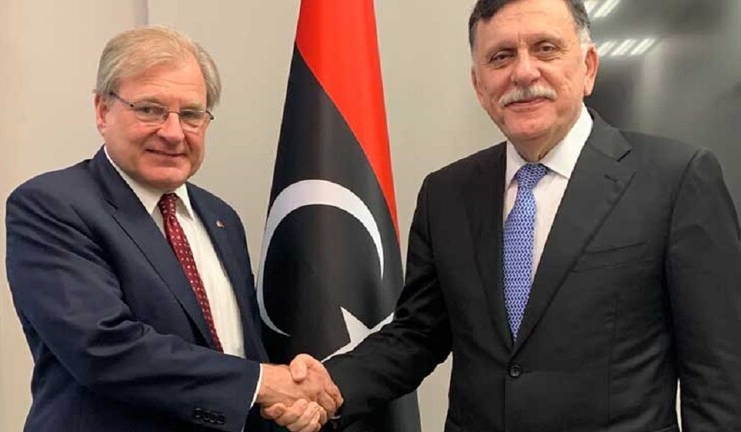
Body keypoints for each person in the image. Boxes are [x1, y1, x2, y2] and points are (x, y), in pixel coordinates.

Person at [266, 0, 741, 430]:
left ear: (588, 67)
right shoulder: (445, 193)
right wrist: (329, 385)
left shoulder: (677, 179)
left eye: (546, 48)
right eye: (500, 57)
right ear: (479, 85)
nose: (523, 72)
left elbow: (719, 373)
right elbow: (417, 334)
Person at [6, 26, 340, 432]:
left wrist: (288, 397)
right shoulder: (52, 205)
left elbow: (239, 352)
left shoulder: (220, 217)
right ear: (102, 111)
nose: (172, 132)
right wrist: (263, 383)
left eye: (192, 114)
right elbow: (102, 349)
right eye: (150, 109)